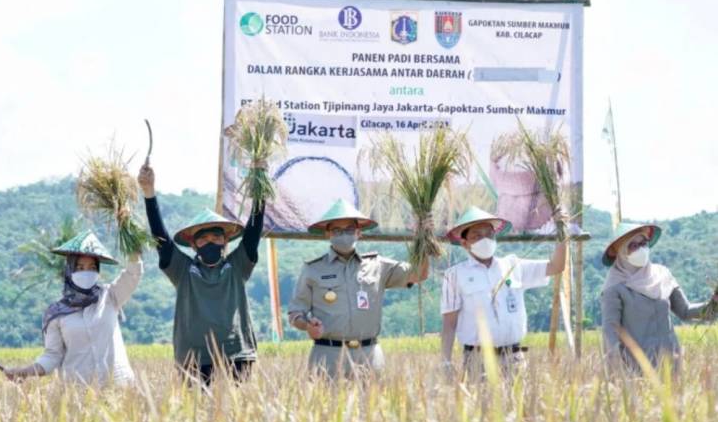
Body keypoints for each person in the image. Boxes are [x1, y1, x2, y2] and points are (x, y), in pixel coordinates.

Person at [138, 164, 264, 385]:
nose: (210, 242)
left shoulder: (238, 266)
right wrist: (149, 194)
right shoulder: (183, 270)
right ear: (193, 244)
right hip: (193, 360)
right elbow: (161, 238)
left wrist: (260, 181)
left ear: (225, 240)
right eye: (202, 238)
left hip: (237, 357)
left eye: (216, 236)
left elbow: (253, 231)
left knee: (238, 416)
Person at [288, 199, 429, 379]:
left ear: (358, 232)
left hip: (369, 355)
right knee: (326, 407)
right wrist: (307, 325)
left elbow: (419, 274)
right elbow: (295, 314)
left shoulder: (377, 265)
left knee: (373, 407)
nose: (343, 235)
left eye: (348, 230)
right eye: (337, 230)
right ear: (327, 234)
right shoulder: (313, 269)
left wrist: (423, 238)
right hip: (328, 356)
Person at [440, 206, 567, 378]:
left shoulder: (513, 265)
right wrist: (445, 361)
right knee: (483, 404)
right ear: (464, 243)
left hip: (514, 357)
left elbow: (556, 266)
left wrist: (562, 234)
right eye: (477, 236)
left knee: (520, 403)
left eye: (489, 234)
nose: (485, 239)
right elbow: (449, 323)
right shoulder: (454, 275)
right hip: (478, 360)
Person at [4, 231, 142, 386]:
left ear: (98, 271)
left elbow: (132, 275)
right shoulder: (56, 313)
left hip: (118, 386)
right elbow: (52, 356)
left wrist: (133, 250)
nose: (86, 272)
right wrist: (25, 372)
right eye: (80, 267)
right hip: (79, 392)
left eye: (91, 267)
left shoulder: (110, 296)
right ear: (70, 270)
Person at [601, 222, 717, 370]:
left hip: (670, 364)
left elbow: (685, 311)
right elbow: (610, 334)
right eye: (633, 246)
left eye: (643, 243)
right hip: (637, 369)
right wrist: (617, 375)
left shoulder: (663, 275)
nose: (641, 249)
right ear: (622, 251)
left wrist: (714, 304)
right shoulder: (614, 288)